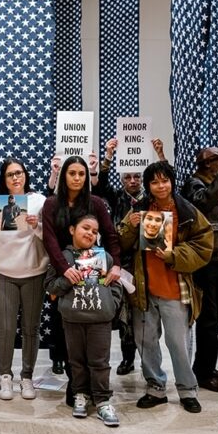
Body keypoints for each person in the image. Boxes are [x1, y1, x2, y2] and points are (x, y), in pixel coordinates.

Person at [119, 160, 213, 414]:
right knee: (146, 341)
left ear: (171, 182)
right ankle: (155, 387)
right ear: (148, 186)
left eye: (164, 180)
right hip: (144, 290)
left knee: (178, 343)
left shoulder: (187, 211)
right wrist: (131, 225)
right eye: (154, 182)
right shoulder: (138, 209)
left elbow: (204, 245)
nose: (160, 186)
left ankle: (186, 389)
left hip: (175, 289)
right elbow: (121, 242)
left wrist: (173, 255)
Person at [41, 155, 122, 407]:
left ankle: (96, 392)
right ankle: (77, 388)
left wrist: (117, 264)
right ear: (64, 175)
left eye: (81, 174)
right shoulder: (52, 204)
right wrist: (64, 269)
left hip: (93, 278)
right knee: (66, 338)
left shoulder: (95, 202)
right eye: (72, 173)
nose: (77, 178)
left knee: (95, 343)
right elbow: (49, 240)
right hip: (63, 276)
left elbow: (109, 234)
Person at [92, 137, 166, 376]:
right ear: (122, 179)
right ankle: (127, 358)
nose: (133, 181)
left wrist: (160, 154)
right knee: (125, 315)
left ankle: (151, 363)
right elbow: (100, 185)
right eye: (127, 177)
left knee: (144, 315)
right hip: (122, 263)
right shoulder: (117, 198)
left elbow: (169, 180)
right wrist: (108, 156)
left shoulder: (150, 199)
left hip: (148, 261)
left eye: (136, 176)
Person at [46, 214, 123, 426]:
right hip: (72, 318)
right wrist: (68, 279)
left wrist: (111, 304)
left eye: (95, 231)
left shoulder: (105, 257)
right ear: (72, 230)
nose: (90, 233)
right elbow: (51, 287)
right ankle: (81, 394)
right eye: (85, 228)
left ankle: (102, 400)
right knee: (76, 361)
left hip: (100, 318)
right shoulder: (62, 258)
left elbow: (116, 285)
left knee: (99, 362)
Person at [0, 158, 48, 401]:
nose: (16, 178)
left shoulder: (39, 201)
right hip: (5, 275)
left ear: (26, 175)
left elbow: (48, 238)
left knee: (31, 328)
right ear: (4, 179)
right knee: (6, 328)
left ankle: (27, 377)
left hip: (34, 273)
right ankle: (5, 377)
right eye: (10, 175)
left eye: (19, 173)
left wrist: (37, 225)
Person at [180, 147, 218, 393]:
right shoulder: (194, 184)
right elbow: (203, 203)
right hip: (205, 262)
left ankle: (206, 366)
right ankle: (203, 374)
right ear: (209, 164)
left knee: (213, 320)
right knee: (207, 319)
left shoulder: (213, 182)